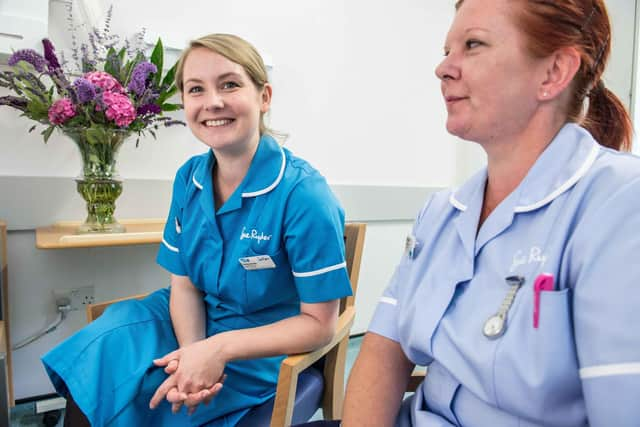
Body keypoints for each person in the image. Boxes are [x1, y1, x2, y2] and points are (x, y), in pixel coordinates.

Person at [300, 0, 640, 426]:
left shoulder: (620, 203)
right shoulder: (442, 212)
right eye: (447, 50)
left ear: (553, 73)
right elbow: (384, 351)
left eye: (473, 44)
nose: (443, 68)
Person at [42, 33, 353, 427]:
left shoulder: (304, 195)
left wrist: (218, 350)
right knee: (96, 353)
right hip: (187, 318)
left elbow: (319, 323)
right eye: (195, 89)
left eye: (230, 84)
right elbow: (185, 284)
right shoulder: (189, 179)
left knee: (147, 394)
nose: (213, 102)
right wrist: (194, 351)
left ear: (264, 97)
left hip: (258, 341)